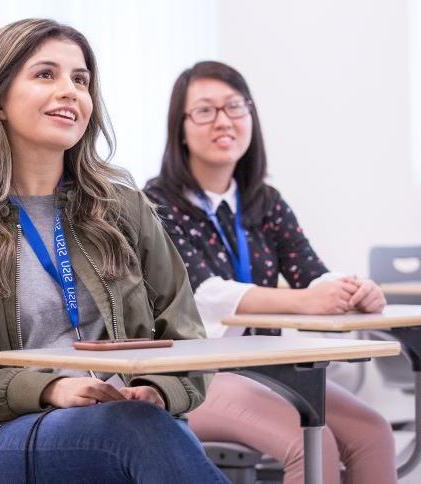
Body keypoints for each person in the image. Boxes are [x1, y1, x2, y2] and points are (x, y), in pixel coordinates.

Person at [0, 19, 229, 483]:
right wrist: (51, 387)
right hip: (11, 431)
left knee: (139, 426)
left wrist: (159, 391)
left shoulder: (124, 207)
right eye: (45, 75)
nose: (70, 91)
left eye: (80, 80)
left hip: (133, 419)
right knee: (134, 431)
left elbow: (186, 333)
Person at [145, 60, 396, 484]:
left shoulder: (265, 201)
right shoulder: (156, 202)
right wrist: (306, 301)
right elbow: (201, 292)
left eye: (234, 107)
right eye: (205, 110)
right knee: (313, 443)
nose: (223, 121)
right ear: (180, 128)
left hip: (268, 368)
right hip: (195, 376)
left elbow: (312, 273)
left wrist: (354, 290)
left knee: (374, 433)